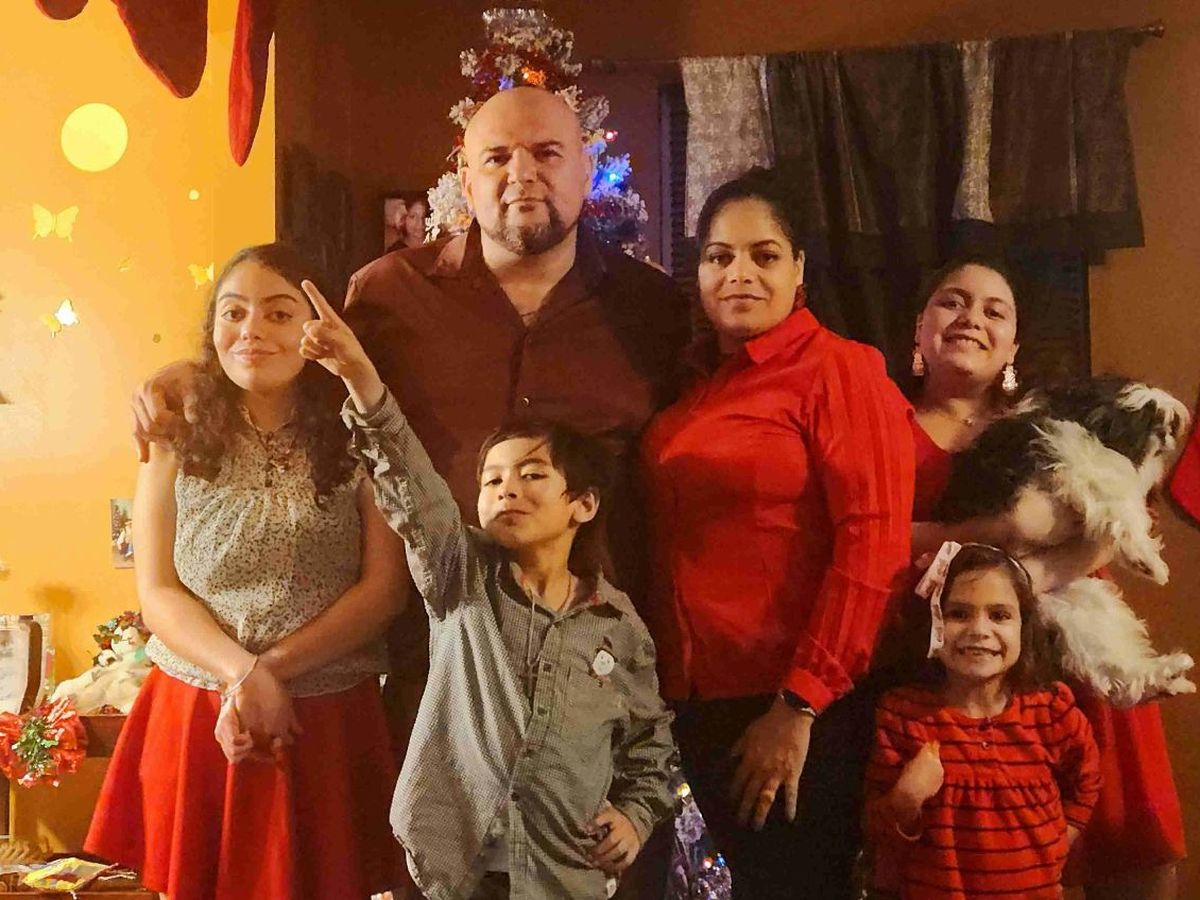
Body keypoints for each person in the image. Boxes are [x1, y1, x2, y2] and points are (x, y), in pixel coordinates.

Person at [129, 85, 688, 899]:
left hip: (587, 659)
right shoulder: (387, 293)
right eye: (496, 157)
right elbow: (295, 369)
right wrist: (191, 376)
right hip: (436, 659)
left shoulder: (655, 309)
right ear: (463, 172)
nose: (522, 174)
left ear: (585, 165)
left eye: (547, 153)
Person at [295, 277, 676, 899]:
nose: (507, 490)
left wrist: (635, 815)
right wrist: (360, 378)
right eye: (492, 480)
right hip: (457, 872)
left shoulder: (616, 625)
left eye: (532, 475)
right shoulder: (461, 576)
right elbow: (412, 488)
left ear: (582, 504)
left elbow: (649, 746)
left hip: (563, 876)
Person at [88, 244, 406, 899]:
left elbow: (383, 591)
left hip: (323, 718)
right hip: (195, 711)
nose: (251, 330)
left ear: (317, 329)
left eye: (279, 313)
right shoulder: (176, 431)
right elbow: (156, 590)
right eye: (233, 313)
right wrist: (242, 674)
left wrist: (271, 674)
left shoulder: (361, 434)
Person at [641, 169, 915, 898]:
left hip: (794, 707)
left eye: (764, 255)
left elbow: (873, 549)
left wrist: (800, 704)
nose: (740, 274)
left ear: (799, 270)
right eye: (719, 256)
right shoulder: (698, 384)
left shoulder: (839, 370)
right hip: (697, 703)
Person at [905, 256, 1186, 899]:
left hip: (1082, 655)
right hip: (965, 674)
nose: (971, 318)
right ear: (919, 328)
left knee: (1128, 849)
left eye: (994, 311)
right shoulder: (882, 425)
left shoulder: (1063, 416)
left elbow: (1116, 520)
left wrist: (1036, 573)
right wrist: (1001, 529)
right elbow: (875, 540)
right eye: (952, 301)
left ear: (1012, 346)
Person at [865, 542, 1102, 899]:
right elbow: (874, 833)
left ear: (1024, 625)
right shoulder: (903, 715)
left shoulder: (1052, 711)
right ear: (934, 621)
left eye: (999, 615)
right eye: (959, 614)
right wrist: (906, 798)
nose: (979, 629)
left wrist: (1058, 841)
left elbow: (1087, 779)